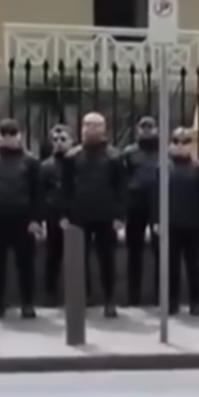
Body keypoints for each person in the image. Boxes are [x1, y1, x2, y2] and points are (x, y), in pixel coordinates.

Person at [54, 113, 126, 316]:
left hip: (106, 216)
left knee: (107, 259)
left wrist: (120, 216)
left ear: (104, 129)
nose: (90, 129)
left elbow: (121, 187)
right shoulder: (72, 156)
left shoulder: (114, 156)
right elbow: (65, 188)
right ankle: (82, 298)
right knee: (78, 260)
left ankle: (110, 300)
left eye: (96, 125)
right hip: (78, 216)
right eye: (87, 125)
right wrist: (63, 214)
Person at [0, 119, 44, 320]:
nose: (8, 138)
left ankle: (27, 303)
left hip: (23, 219)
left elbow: (38, 192)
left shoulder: (31, 161)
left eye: (12, 134)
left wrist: (36, 219)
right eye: (4, 134)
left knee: (26, 264)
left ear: (20, 135)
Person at [161, 129, 199, 316]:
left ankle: (196, 302)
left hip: (193, 224)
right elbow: (156, 197)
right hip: (171, 224)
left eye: (185, 141)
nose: (180, 145)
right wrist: (156, 220)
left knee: (194, 266)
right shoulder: (163, 168)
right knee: (171, 266)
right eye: (176, 141)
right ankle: (172, 302)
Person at [120, 116, 162, 306]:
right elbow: (122, 179)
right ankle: (133, 297)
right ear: (137, 130)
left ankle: (161, 296)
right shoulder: (129, 152)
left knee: (161, 252)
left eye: (150, 126)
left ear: (157, 129)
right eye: (143, 126)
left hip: (158, 206)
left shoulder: (164, 152)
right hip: (135, 206)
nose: (146, 130)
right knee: (134, 252)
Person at [38, 124, 73, 305]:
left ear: (71, 141)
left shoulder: (77, 162)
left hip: (76, 218)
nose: (59, 143)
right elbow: (41, 194)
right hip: (53, 219)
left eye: (63, 139)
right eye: (55, 140)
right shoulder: (45, 166)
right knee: (53, 257)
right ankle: (50, 295)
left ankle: (82, 294)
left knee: (78, 259)